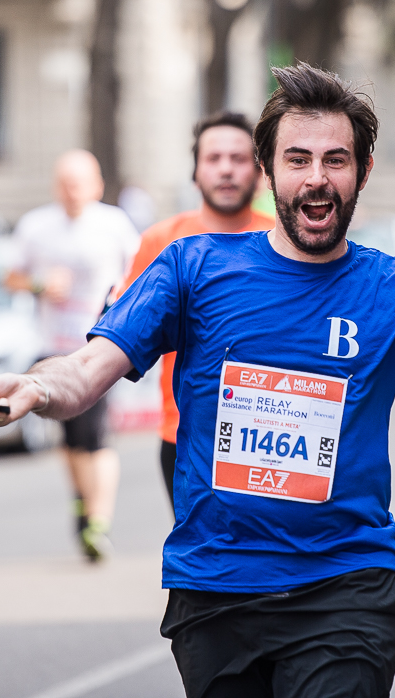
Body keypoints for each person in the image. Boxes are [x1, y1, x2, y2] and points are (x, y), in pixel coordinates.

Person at [0, 63, 395, 697]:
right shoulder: (192, 267)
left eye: (336, 159)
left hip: (347, 586)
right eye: (298, 159)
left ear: (363, 172)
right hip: (215, 586)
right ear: (268, 171)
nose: (318, 179)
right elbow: (85, 369)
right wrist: (36, 388)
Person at [119, 111, 273, 510]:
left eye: (239, 159)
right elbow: (127, 333)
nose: (226, 169)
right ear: (195, 172)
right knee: (205, 566)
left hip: (275, 435)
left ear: (260, 171)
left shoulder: (286, 237)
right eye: (213, 158)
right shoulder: (161, 242)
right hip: (185, 437)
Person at [5, 150, 140, 560]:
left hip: (101, 346)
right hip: (53, 348)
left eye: (80, 182)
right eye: (65, 183)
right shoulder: (36, 225)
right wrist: (41, 284)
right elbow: (10, 277)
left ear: (97, 185)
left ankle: (97, 523)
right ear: (54, 186)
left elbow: (140, 274)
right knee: (70, 439)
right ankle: (83, 502)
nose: (72, 191)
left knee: (96, 437)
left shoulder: (114, 224)